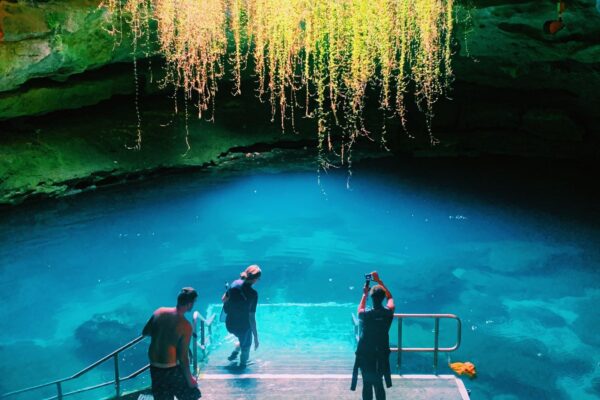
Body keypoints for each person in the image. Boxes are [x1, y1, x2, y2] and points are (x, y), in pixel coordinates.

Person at [142, 287, 201, 400]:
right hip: (170, 370)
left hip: (154, 368)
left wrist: (162, 333)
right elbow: (183, 358)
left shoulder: (159, 311)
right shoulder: (185, 326)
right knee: (192, 395)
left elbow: (145, 332)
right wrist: (190, 380)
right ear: (189, 304)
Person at [351, 272, 395, 400]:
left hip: (365, 353)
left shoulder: (365, 314)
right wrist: (379, 281)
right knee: (379, 383)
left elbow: (360, 309)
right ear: (382, 298)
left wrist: (364, 294)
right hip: (381, 353)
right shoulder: (388, 313)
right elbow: (390, 298)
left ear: (371, 296)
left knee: (367, 383)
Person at [222, 264, 261, 367]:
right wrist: (256, 337)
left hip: (230, 324)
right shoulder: (253, 294)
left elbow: (223, 299)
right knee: (246, 348)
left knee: (241, 338)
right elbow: (251, 318)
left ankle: (234, 353)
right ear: (255, 279)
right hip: (243, 327)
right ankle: (242, 366)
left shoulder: (234, 284)